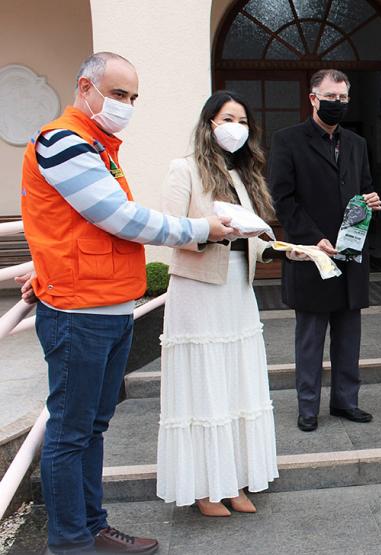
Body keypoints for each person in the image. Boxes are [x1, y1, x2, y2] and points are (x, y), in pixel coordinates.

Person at [18, 52, 234, 554]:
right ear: (85, 88)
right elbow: (121, 219)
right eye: (118, 95)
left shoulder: (98, 146)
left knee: (90, 429)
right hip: (79, 312)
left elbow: (72, 226)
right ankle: (70, 542)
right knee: (72, 433)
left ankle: (92, 527)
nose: (127, 106)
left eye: (133, 97)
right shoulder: (63, 141)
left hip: (107, 307)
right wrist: (199, 229)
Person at [156, 91, 299, 516]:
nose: (236, 127)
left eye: (242, 120)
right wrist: (208, 231)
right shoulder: (183, 169)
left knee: (236, 381)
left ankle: (233, 479)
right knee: (205, 383)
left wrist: (286, 249)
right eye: (227, 118)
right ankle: (204, 487)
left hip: (237, 287)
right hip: (198, 288)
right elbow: (168, 230)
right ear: (209, 124)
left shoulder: (242, 177)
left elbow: (253, 238)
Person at [268, 69, 381, 433]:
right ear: (313, 98)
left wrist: (371, 202)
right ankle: (307, 407)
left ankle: (346, 401)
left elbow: (363, 190)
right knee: (311, 338)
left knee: (349, 336)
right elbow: (282, 199)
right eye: (330, 97)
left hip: (350, 254)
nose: (338, 104)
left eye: (343, 98)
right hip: (311, 254)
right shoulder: (288, 141)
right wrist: (313, 237)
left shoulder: (356, 143)